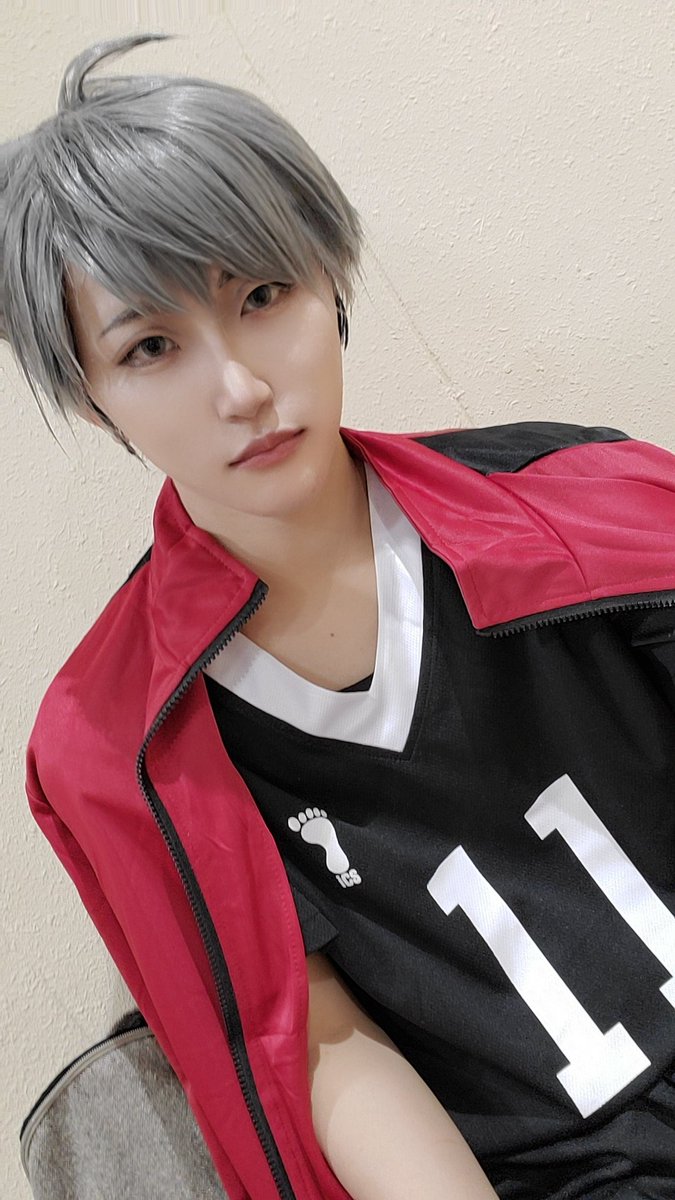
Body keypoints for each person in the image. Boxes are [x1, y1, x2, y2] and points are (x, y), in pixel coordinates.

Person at [4, 31, 675, 1200]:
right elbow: (308, 1035)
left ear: (329, 278)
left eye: (262, 296)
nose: (241, 388)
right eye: (151, 346)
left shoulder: (586, 501)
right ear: (93, 397)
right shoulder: (122, 742)